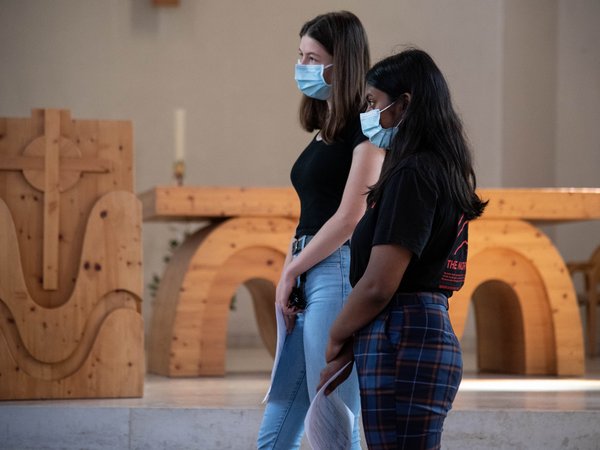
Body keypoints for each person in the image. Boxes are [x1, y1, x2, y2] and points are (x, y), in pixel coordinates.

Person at [318, 48, 488, 450]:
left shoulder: (414, 173)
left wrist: (337, 333)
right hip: (416, 330)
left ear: (404, 104)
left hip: (405, 334)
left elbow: (380, 283)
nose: (367, 114)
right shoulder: (439, 168)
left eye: (373, 102)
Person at [257, 11, 384, 450]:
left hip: (337, 272)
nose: (302, 67)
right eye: (300, 56)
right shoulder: (323, 133)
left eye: (312, 58)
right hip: (307, 268)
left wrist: (293, 269)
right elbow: (310, 215)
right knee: (275, 433)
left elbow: (350, 217)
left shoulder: (367, 129)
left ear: (341, 63)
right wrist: (290, 272)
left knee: (334, 426)